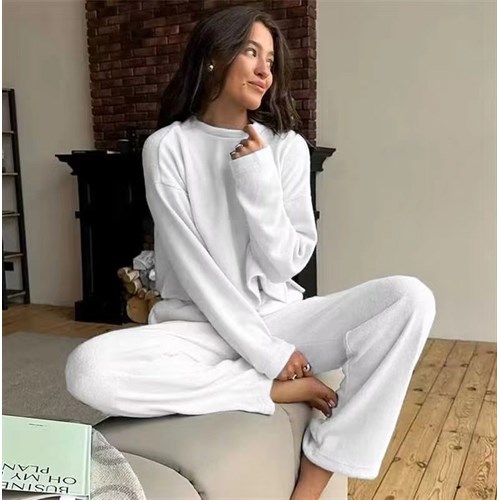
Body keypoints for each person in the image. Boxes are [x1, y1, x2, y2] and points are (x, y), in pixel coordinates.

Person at [65, 5, 436, 499]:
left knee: (410, 300)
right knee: (88, 369)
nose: (265, 70)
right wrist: (268, 360)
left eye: (271, 60)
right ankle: (264, 390)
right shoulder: (167, 147)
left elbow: (287, 263)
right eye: (251, 52)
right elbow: (194, 268)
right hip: (198, 327)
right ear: (214, 57)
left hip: (279, 318)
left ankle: (316, 475)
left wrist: (258, 178)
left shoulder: (286, 147)